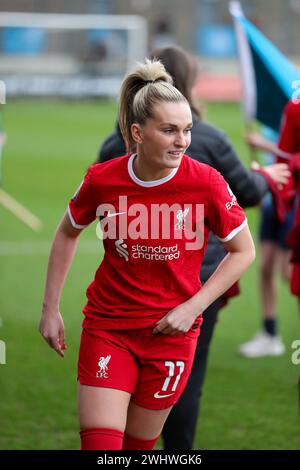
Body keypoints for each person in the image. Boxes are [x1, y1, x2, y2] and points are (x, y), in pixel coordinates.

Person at [39, 58, 256, 451]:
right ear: (138, 133)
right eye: (169, 130)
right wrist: (50, 308)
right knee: (102, 449)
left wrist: (194, 308)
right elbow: (66, 232)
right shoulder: (103, 179)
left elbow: (243, 251)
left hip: (171, 338)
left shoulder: (206, 182)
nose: (182, 141)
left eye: (187, 130)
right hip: (109, 329)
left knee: (139, 449)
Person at [97, 46, 290, 449]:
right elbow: (248, 193)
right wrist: (263, 177)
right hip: (196, 286)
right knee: (182, 382)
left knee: (127, 388)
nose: (179, 143)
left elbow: (103, 212)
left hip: (135, 288)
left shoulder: (114, 141)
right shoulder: (209, 137)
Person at [239, 105, 298, 358]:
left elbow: (291, 157)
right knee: (264, 267)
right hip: (271, 199)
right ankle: (270, 333)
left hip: (293, 200)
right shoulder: (271, 114)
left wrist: (264, 146)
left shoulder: (293, 110)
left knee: (288, 272)